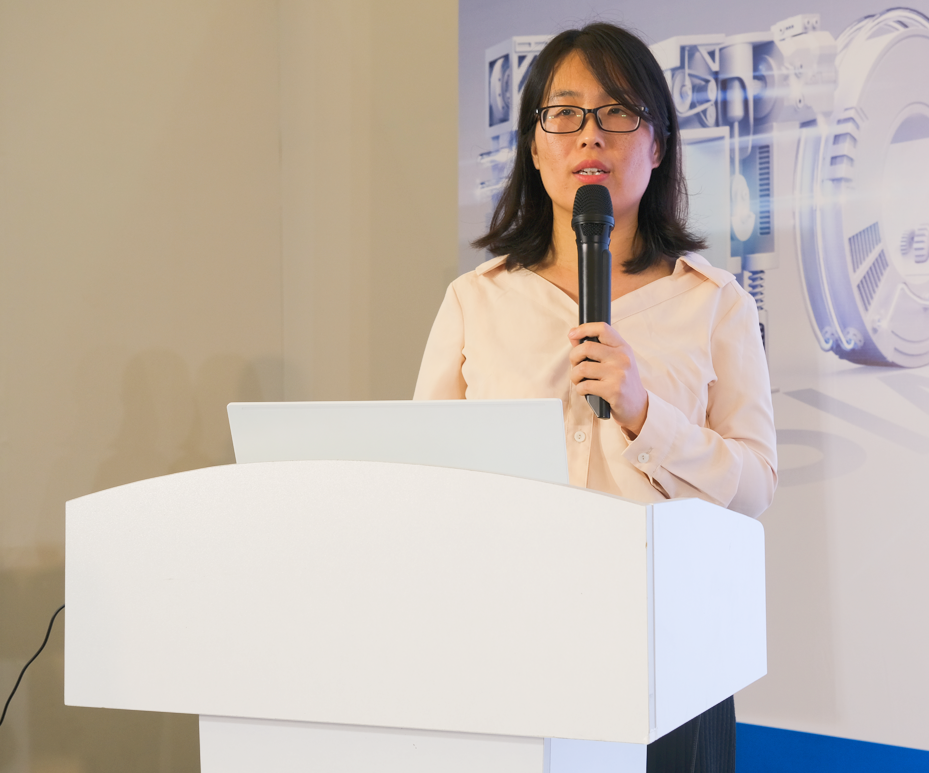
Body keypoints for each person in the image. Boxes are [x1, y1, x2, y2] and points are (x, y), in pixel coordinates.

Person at [414, 22, 777, 773]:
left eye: (617, 111)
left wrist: (646, 414)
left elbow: (753, 488)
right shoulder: (476, 301)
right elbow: (424, 477)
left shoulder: (714, 303)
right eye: (564, 113)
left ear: (658, 143)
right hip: (510, 639)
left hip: (669, 648)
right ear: (533, 143)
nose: (590, 135)